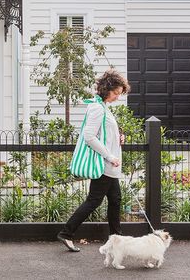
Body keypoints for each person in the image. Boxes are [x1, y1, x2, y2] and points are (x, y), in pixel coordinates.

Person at [57, 69, 130, 252]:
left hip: (109, 165)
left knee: (115, 199)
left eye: (120, 94)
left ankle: (116, 239)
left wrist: (119, 137)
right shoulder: (97, 108)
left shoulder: (102, 106)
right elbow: (89, 136)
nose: (117, 97)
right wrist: (109, 156)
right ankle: (66, 233)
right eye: (116, 93)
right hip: (105, 165)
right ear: (107, 89)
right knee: (94, 200)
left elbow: (103, 133)